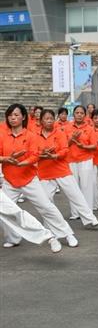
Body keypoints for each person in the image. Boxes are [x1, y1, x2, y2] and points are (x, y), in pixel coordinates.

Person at [0, 104, 78, 252]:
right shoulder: (2, 135)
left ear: (23, 117)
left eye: (16, 115)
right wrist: (6, 159)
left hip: (29, 180)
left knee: (46, 207)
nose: (13, 118)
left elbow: (35, 155)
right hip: (10, 181)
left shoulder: (31, 136)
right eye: (10, 115)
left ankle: (67, 234)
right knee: (7, 212)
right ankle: (13, 238)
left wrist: (24, 163)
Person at [36, 109, 98, 227]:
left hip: (61, 169)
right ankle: (50, 223)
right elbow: (32, 152)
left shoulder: (59, 133)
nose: (49, 121)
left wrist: (55, 155)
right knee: (46, 200)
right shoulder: (35, 135)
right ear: (41, 121)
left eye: (51, 118)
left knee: (76, 194)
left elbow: (65, 149)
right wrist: (42, 154)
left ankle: (90, 218)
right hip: (45, 172)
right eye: (46, 118)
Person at [64, 105, 97, 217]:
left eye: (81, 113)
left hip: (85, 160)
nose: (79, 115)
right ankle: (75, 212)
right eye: (77, 113)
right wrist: (71, 139)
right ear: (73, 114)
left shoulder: (89, 128)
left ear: (85, 115)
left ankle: (88, 213)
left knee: (86, 186)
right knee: (73, 187)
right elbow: (63, 145)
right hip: (71, 160)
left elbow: (94, 146)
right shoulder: (67, 127)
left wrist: (82, 146)